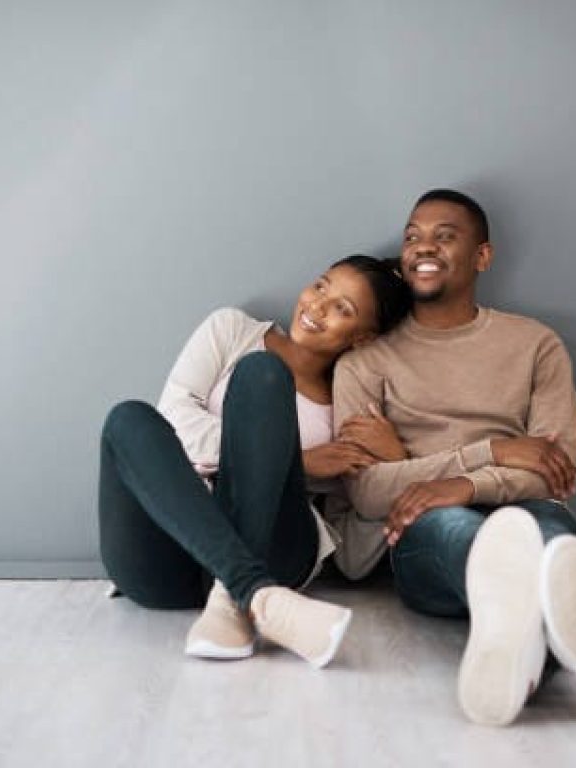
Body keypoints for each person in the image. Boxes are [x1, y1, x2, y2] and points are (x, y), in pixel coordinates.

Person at [329, 189, 576, 723]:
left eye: (444, 236)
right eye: (413, 237)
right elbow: (366, 490)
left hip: (518, 507)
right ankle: (561, 635)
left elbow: (555, 472)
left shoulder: (536, 345)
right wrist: (494, 454)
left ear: (483, 256)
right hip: (426, 528)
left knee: (550, 533)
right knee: (453, 527)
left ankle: (521, 642)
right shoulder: (365, 362)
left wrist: (465, 484)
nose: (423, 247)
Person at [98, 255, 411, 669]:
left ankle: (238, 591)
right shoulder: (231, 330)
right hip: (164, 566)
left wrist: (398, 465)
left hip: (272, 550)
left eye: (342, 309)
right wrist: (295, 460)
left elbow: (353, 552)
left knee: (264, 375)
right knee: (127, 419)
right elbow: (172, 418)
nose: (317, 307)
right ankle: (259, 598)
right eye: (321, 286)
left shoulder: (348, 405)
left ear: (363, 338)